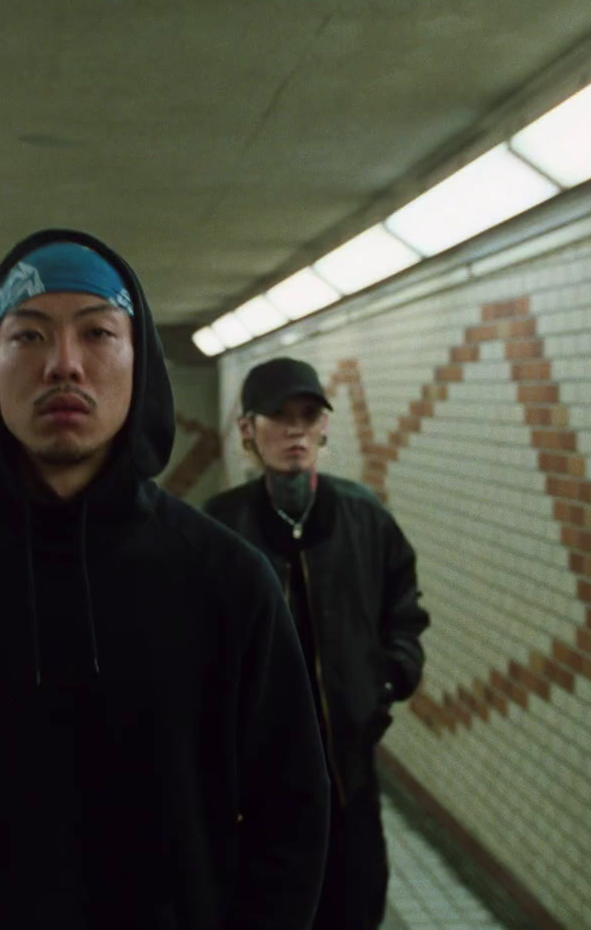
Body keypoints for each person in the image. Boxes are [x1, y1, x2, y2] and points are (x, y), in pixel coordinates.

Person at [0, 230, 329, 928]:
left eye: (97, 334)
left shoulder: (226, 581)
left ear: (139, 361)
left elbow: (290, 810)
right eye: (28, 337)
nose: (65, 365)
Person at [204, 357, 429, 930]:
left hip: (347, 769)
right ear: (248, 430)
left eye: (308, 415)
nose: (295, 430)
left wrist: (389, 677)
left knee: (353, 904)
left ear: (325, 428)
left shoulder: (363, 519)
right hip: (253, 783)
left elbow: (403, 608)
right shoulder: (221, 531)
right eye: (277, 417)